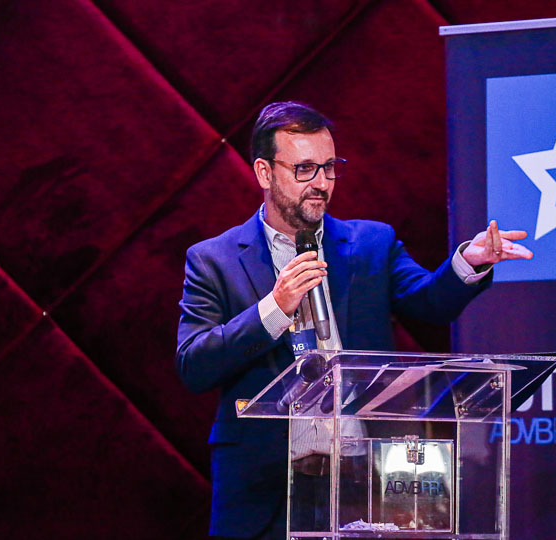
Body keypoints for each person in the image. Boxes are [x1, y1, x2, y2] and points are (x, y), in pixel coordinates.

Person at [176, 101, 532, 539]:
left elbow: (430, 303)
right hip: (264, 490)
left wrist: (468, 263)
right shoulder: (214, 259)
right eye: (304, 169)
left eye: (329, 168)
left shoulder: (371, 243)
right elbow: (195, 365)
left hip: (365, 483)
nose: (321, 183)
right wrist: (274, 309)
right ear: (265, 173)